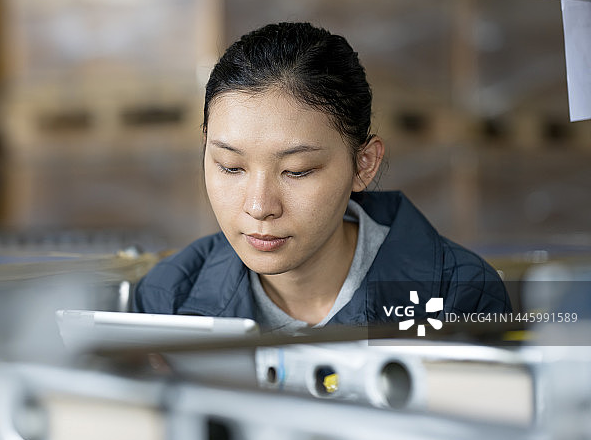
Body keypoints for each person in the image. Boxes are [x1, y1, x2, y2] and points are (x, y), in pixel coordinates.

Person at [132, 22, 510, 333]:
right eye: (231, 166)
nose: (259, 207)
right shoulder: (168, 299)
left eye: (296, 171)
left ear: (363, 164)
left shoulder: (457, 297)